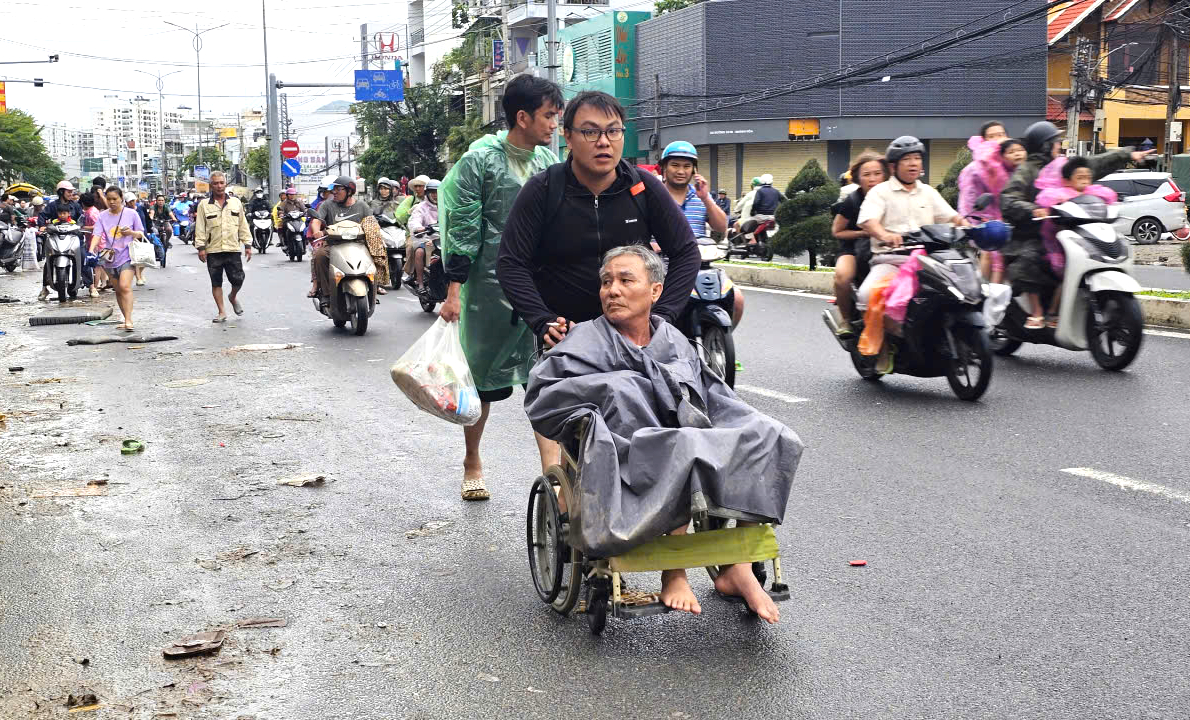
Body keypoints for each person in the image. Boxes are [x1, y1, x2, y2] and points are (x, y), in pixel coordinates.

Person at [524, 245, 803, 622]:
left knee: (772, 434)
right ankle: (675, 572)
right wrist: (609, 389)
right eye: (606, 282)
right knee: (680, 443)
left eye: (625, 280)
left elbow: (712, 391)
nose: (612, 290)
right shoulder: (584, 340)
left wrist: (729, 421)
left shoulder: (672, 339)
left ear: (654, 291)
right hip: (629, 449)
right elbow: (544, 395)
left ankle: (739, 562)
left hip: (689, 428)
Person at [431, 74, 562, 502]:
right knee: (482, 382)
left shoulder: (547, 163)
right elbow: (464, 226)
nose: (554, 124)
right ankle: (472, 460)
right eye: (548, 115)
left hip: (538, 286)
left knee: (546, 379)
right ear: (522, 117)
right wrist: (454, 292)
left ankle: (555, 476)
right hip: (486, 289)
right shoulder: (480, 159)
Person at [498, 89, 700, 351]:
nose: (604, 142)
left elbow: (686, 251)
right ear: (568, 136)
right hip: (566, 340)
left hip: (634, 340)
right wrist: (542, 320)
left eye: (613, 131)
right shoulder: (544, 189)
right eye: (590, 132)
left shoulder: (643, 187)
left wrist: (662, 316)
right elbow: (511, 262)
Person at [1000, 121, 1151, 330]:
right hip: (1033, 233)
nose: (1059, 145)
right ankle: (1036, 312)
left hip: (1068, 230)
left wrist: (1127, 155)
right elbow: (1009, 199)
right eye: (1055, 142)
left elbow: (1092, 165)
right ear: (1044, 145)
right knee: (1031, 258)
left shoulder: (1064, 166)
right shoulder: (1027, 171)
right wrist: (1032, 209)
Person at [857, 136, 968, 373]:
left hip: (928, 260)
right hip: (891, 260)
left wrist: (966, 224)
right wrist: (885, 235)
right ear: (893, 166)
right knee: (868, 295)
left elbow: (950, 217)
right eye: (906, 159)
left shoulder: (928, 192)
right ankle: (884, 346)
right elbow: (868, 221)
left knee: (960, 290)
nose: (913, 163)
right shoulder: (880, 192)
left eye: (917, 158)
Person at [657, 141, 744, 327]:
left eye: (687, 166)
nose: (681, 171)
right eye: (675, 165)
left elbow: (721, 227)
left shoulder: (701, 197)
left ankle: (718, 342)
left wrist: (705, 198)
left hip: (698, 265)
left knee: (737, 299)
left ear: (694, 170)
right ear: (664, 167)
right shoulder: (654, 195)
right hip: (660, 266)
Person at [1033, 156, 1119, 327]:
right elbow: (1045, 203)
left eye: (1087, 177)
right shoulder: (1059, 194)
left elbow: (1110, 199)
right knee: (1066, 273)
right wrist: (1044, 210)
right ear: (1067, 180)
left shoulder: (1094, 193)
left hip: (1089, 240)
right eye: (1079, 177)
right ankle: (1052, 312)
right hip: (1060, 245)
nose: (1084, 181)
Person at [830, 149, 889, 335]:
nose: (872, 179)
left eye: (877, 174)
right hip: (854, 249)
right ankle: (846, 319)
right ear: (857, 178)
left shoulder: (893, 195)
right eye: (867, 175)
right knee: (842, 277)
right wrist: (862, 233)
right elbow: (837, 231)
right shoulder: (853, 201)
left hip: (888, 249)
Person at [958, 121, 1022, 283]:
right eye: (991, 136)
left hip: (1013, 219)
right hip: (987, 218)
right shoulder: (978, 166)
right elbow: (970, 198)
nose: (996, 139)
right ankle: (986, 292)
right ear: (983, 140)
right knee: (990, 252)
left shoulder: (1014, 157)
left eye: (1000, 135)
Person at [194, 171, 253, 323]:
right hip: (213, 250)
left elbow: (243, 224)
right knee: (216, 281)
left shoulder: (236, 203)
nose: (219, 186)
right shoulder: (203, 205)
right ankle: (221, 311)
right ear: (211, 185)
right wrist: (201, 248)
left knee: (238, 279)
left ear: (225, 184)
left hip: (232, 248)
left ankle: (232, 296)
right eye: (215, 183)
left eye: (221, 183)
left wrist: (247, 244)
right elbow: (200, 227)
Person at [307, 176, 372, 299]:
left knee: (376, 253)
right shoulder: (327, 205)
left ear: (349, 191)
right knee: (319, 256)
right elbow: (316, 221)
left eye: (338, 189)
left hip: (358, 244)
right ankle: (326, 294)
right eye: (333, 189)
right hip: (333, 243)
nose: (334, 192)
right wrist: (317, 231)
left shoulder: (362, 206)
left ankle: (375, 286)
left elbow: (371, 222)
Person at [90, 186, 144, 330]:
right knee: (118, 290)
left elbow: (141, 233)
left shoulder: (131, 214)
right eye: (109, 199)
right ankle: (125, 317)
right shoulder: (102, 216)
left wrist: (131, 232)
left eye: (115, 199)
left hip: (128, 255)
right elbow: (97, 234)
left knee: (124, 286)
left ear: (121, 199)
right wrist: (91, 250)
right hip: (109, 257)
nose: (112, 202)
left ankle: (128, 320)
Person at [406, 178, 440, 292]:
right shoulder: (420, 207)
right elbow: (414, 221)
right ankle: (420, 283)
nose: (435, 195)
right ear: (427, 194)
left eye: (437, 193)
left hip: (444, 240)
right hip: (427, 239)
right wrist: (419, 228)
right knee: (419, 252)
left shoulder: (446, 206)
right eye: (432, 193)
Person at [394, 175, 429, 278]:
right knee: (412, 247)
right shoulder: (411, 200)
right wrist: (411, 213)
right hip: (416, 234)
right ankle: (412, 273)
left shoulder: (435, 200)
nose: (417, 189)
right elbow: (400, 215)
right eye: (416, 186)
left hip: (434, 232)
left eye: (420, 186)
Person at [125, 193, 152, 286]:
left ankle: (140, 273)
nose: (132, 203)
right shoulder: (126, 212)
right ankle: (138, 277)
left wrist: (149, 230)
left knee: (144, 255)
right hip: (132, 236)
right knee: (135, 257)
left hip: (143, 235)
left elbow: (147, 220)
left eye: (133, 200)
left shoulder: (141, 208)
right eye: (130, 201)